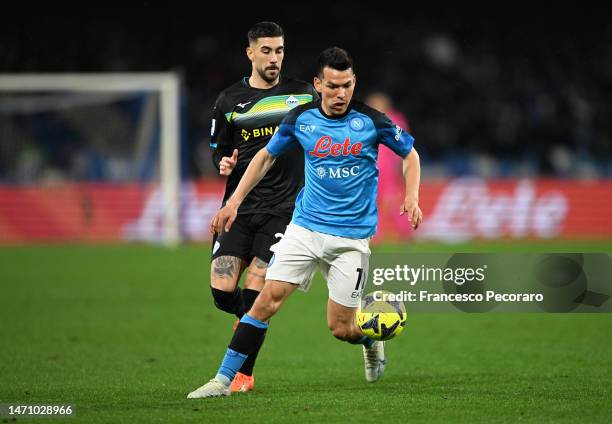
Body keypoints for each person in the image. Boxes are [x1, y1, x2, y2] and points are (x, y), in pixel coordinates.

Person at [187, 47, 422, 398]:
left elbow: (410, 155)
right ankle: (222, 380)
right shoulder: (301, 119)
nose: (340, 94)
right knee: (265, 302)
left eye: (346, 86)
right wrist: (233, 201)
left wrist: (411, 195)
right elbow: (266, 156)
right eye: (331, 86)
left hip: (351, 239)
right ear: (318, 84)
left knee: (341, 328)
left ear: (353, 83)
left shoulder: (371, 121)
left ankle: (371, 340)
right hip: (305, 229)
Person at [200, 21, 318, 394]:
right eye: (266, 51)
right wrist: (223, 164)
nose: (274, 58)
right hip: (239, 207)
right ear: (250, 53)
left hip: (284, 209)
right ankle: (250, 324)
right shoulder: (228, 100)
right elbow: (219, 150)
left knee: (255, 291)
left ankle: (243, 374)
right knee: (222, 292)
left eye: (279, 50)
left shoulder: (302, 96)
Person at [365, 91, 412, 242]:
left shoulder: (395, 120)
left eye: (377, 103)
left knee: (391, 201)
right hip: (369, 170)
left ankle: (406, 231)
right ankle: (375, 236)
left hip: (387, 171)